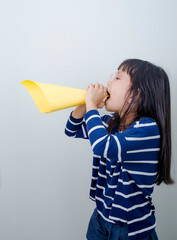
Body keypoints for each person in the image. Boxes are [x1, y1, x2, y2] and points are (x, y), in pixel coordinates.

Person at [64, 59, 174, 240]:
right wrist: (84, 104)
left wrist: (92, 105)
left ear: (135, 94)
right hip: (100, 218)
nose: (108, 82)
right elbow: (71, 129)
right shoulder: (110, 123)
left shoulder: (147, 130)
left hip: (130, 227)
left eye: (117, 78)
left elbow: (102, 146)